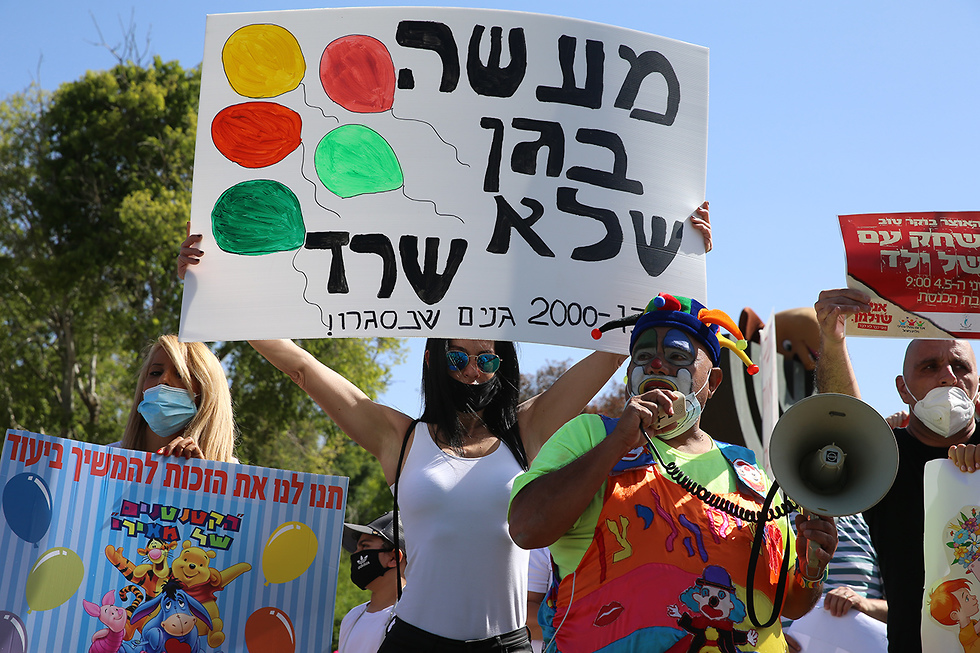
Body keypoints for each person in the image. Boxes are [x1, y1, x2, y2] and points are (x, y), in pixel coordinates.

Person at [177, 206, 713, 652]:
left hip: (506, 644)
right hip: (413, 642)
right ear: (434, 360)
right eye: (458, 358)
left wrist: (681, 260)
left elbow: (613, 351)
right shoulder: (399, 437)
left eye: (488, 360)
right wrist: (216, 291)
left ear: (506, 364)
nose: (474, 372)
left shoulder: (526, 430)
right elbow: (302, 368)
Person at [509, 293, 838, 653]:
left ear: (712, 383)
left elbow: (788, 604)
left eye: (677, 356)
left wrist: (811, 570)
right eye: (644, 357)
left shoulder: (751, 474)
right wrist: (618, 442)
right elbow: (527, 528)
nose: (657, 366)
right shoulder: (590, 436)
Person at [813, 287, 980, 653]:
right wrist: (833, 338)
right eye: (930, 366)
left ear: (977, 388)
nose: (948, 377)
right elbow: (846, 419)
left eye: (961, 367)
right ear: (903, 390)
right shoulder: (886, 460)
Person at [117, 334, 237, 461]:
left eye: (180, 374)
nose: (163, 380)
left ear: (205, 393)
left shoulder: (232, 472)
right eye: (155, 373)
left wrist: (202, 476)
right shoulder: (105, 461)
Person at [338, 511, 406, 653]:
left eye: (364, 547)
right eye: (356, 549)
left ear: (394, 558)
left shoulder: (412, 619)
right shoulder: (352, 617)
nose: (355, 555)